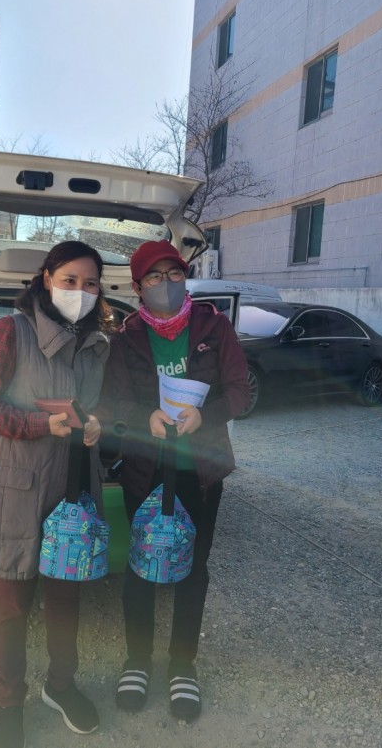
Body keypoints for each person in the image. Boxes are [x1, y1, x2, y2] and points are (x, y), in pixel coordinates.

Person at [0, 241, 113, 748]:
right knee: (12, 602)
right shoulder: (11, 331)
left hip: (74, 486)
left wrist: (99, 422)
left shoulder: (99, 342)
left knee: (66, 597)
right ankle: (10, 702)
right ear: (46, 278)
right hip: (18, 488)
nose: (80, 291)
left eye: (90, 284)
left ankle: (60, 686)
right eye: (70, 280)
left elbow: (106, 406)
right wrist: (38, 424)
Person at [99, 239, 249, 723]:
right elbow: (114, 401)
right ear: (138, 287)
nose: (165, 283)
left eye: (174, 273)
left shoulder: (214, 326)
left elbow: (240, 392)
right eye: (154, 277)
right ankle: (137, 661)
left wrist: (206, 416)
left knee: (193, 568)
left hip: (201, 470)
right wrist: (145, 416)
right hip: (145, 470)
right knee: (142, 566)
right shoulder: (126, 338)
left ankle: (183, 665)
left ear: (186, 277)